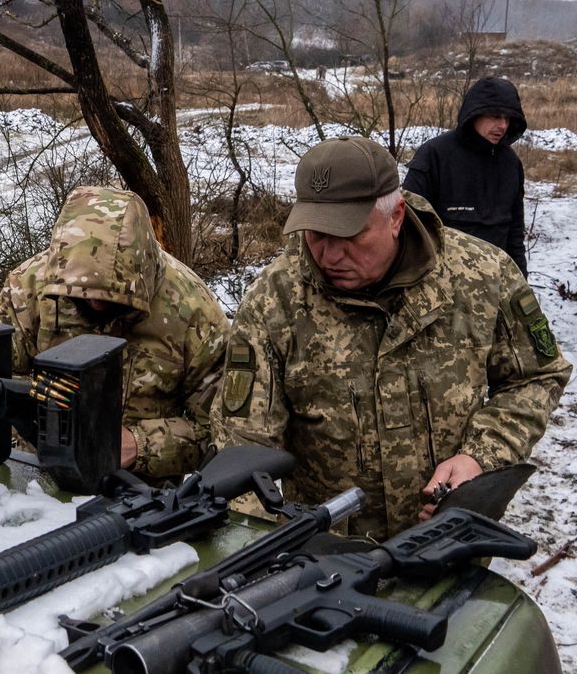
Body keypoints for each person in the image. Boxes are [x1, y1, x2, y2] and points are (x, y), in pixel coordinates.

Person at [213, 136, 570, 541]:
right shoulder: (275, 301)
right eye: (315, 234)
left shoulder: (482, 276)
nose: (329, 256)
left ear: (396, 215)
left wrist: (480, 457)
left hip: (451, 545)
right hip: (328, 563)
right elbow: (242, 446)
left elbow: (537, 376)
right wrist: (263, 550)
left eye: (348, 235)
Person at [0, 186, 229, 480]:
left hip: (141, 492)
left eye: (111, 296)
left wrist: (138, 445)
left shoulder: (193, 312)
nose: (95, 302)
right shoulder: (31, 287)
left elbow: (222, 430)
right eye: (82, 293)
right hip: (36, 478)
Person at [403, 77, 529, 276]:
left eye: (508, 118)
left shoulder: (511, 164)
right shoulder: (435, 155)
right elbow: (409, 227)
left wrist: (521, 281)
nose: (503, 125)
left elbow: (515, 233)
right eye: (495, 116)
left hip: (498, 281)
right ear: (475, 113)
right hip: (444, 283)